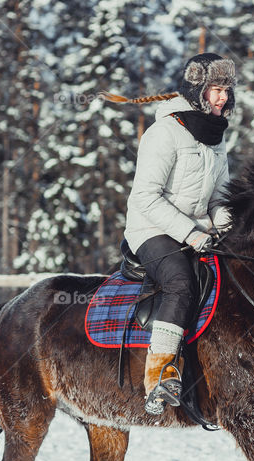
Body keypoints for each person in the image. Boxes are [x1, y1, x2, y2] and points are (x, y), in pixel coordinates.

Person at [104, 53, 236, 415]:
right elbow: (145, 197)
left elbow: (219, 196)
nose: (222, 97)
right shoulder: (163, 133)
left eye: (226, 90)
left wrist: (226, 225)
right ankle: (159, 377)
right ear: (197, 90)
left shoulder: (216, 137)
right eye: (214, 90)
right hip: (152, 229)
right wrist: (192, 235)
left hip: (198, 229)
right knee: (180, 282)